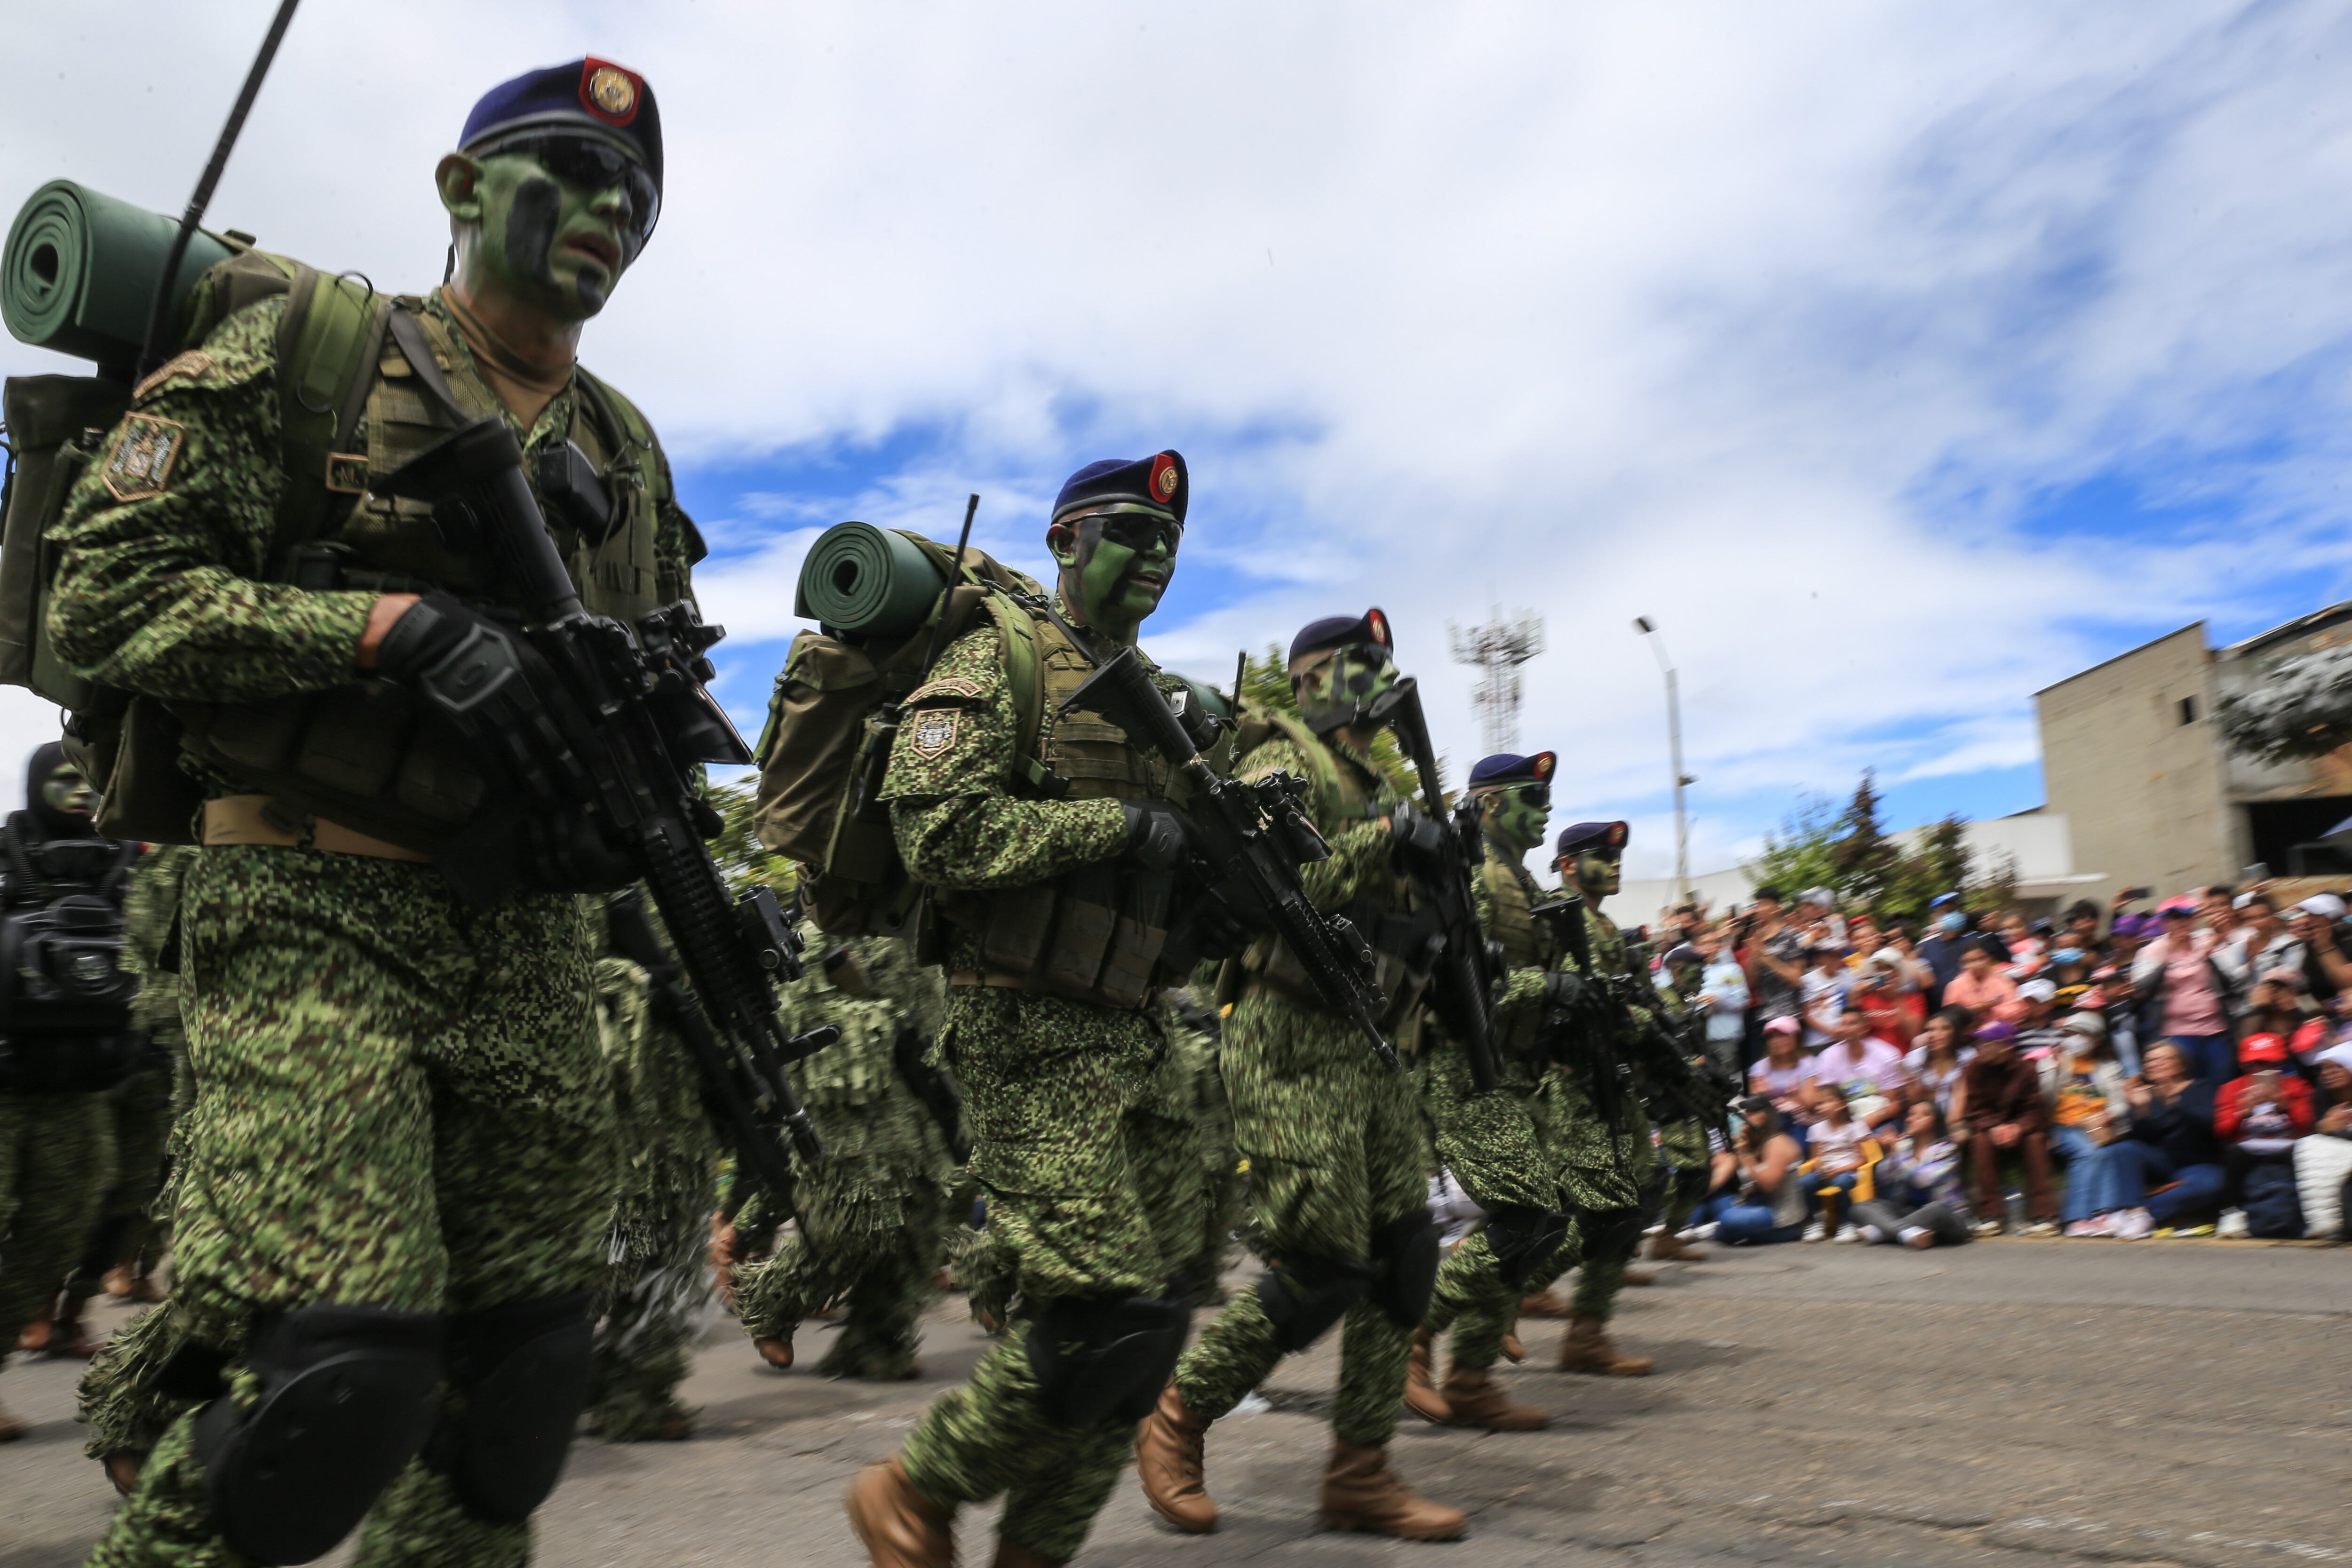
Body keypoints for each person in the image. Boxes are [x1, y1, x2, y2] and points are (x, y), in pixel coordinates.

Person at [51, 56, 694, 1562]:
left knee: (512, 1399)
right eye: (573, 175)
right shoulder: (314, 354)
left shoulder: (626, 447)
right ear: (463, 188)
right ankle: (176, 1384)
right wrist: (380, 633)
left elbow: (647, 678)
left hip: (529, 947)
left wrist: (640, 805)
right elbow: (109, 597)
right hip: (307, 917)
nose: (612, 210)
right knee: (338, 1383)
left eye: (637, 197)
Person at [851, 452, 1233, 1567]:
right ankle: (916, 1488)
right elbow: (943, 835)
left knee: (1140, 1342)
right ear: (1068, 541)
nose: (1155, 554)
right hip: (1025, 1028)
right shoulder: (1000, 659)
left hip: (1137, 1035)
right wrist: (1116, 829)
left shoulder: (1162, 701)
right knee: (1104, 1314)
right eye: (1131, 533)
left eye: (1170, 540)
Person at [1138, 609, 1466, 1545]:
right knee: (1324, 1266)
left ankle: (1361, 1470)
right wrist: (1384, 842)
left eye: (1383, 664)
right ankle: (1178, 1413)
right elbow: (1267, 888)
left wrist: (1445, 872)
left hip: (1373, 1045)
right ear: (1312, 677)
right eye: (1357, 663)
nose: (1375, 678)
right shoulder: (1278, 757)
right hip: (1286, 1036)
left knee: (1404, 1260)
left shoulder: (1377, 780)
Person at [1409, 750, 1579, 1433]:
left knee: (1534, 1220)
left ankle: (1472, 1377)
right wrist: (1551, 987)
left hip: (1509, 1065)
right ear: (1489, 805)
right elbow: (1461, 977)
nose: (1545, 813)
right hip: (1459, 1061)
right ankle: (1416, 1334)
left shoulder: (1521, 879)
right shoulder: (1476, 875)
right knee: (1531, 1213)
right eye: (1530, 800)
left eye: (1546, 802)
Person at [732, 928, 957, 1388]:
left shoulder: (929, 928)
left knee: (917, 1229)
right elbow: (795, 1008)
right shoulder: (826, 926)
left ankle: (876, 1342)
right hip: (856, 1102)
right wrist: (879, 1023)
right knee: (849, 1223)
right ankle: (770, 1303)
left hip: (924, 1096)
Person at [0, 745, 136, 1440]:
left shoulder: (130, 862)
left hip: (83, 1084)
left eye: (91, 781)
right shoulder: (5, 855)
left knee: (65, 1225)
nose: (80, 794)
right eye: (66, 781)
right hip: (7, 1076)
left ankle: (31, 1325)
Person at [2074, 1043, 2224, 1240]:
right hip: (2162, 1162)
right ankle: (2135, 1213)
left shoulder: (2202, 1088)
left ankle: (2135, 1213)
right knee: (2124, 1149)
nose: (2154, 1064)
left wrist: (2174, 1102)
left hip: (2199, 1164)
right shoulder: (2146, 1095)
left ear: (2181, 1066)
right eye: (2150, 1060)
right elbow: (2140, 1141)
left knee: (2212, 1184)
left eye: (2163, 1059)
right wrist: (2141, 1111)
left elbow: (2210, 1125)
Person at [1959, 1020, 2057, 1234]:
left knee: (2036, 1140)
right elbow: (1975, 1109)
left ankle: (2045, 1214)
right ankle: (1990, 1214)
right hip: (1990, 1127)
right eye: (1979, 1044)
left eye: (1986, 1043)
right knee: (1980, 1141)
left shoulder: (2026, 1069)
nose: (1980, 1048)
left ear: (2005, 1046)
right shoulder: (1973, 1069)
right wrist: (1994, 1127)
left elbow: (2035, 1110)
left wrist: (2017, 1128)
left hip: (2022, 1128)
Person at [2213, 1034, 2314, 1238]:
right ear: (2244, 1066)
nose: (2262, 1069)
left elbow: (2307, 1126)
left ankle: (2310, 1218)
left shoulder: (2296, 1086)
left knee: (2309, 1153)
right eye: (2256, 1064)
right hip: (2248, 1148)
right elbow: (2221, 1132)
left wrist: (2284, 1106)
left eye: (2270, 1063)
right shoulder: (2231, 1089)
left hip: (2289, 1146)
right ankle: (2231, 1213)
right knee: (2234, 1153)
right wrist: (2242, 1113)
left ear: (2281, 1063)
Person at [2041, 1012, 2130, 1234]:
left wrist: (2108, 1115)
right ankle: (2076, 1219)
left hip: (2099, 1127)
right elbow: (2043, 1099)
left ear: (2096, 1039)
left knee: (2106, 1152)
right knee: (2089, 1153)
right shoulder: (2053, 1061)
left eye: (2080, 1034)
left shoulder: (2109, 1067)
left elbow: (2121, 1103)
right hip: (2063, 1127)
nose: (2074, 1039)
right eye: (2070, 1034)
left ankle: (2102, 1215)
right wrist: (2055, 1069)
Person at [2133, 898, 2235, 1083]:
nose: (2181, 923)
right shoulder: (2152, 950)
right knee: (2186, 1084)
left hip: (2216, 1028)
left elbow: (2231, 980)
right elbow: (2142, 990)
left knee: (2222, 1081)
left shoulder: (2206, 940)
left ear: (2193, 920)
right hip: (2177, 1031)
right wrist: (2167, 956)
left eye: (2186, 917)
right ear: (2164, 922)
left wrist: (2209, 953)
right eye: (2174, 918)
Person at [1849, 1102, 1972, 1248]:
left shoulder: (1947, 1150)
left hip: (1949, 1217)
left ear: (1933, 1121)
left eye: (1918, 1115)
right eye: (1910, 1115)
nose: (1909, 1119)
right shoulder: (1904, 1147)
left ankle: (1884, 1233)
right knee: (1861, 1207)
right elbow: (1885, 1177)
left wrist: (1899, 1156)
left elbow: (1922, 1180)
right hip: (1910, 1213)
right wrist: (1892, 1153)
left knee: (1936, 1210)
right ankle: (1905, 1233)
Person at [1704, 1098, 1809, 1245]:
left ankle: (1720, 1231)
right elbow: (1749, 1185)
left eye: (1753, 1113)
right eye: (1746, 1113)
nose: (1746, 1118)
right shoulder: (1754, 1144)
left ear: (1766, 1116)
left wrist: (1746, 1155)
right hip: (1755, 1207)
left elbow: (1768, 1185)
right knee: (1720, 1203)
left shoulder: (1779, 1142)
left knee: (1728, 1219)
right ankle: (1718, 1231)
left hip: (1781, 1218)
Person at [1811, 1006, 1909, 1133]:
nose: (1847, 1028)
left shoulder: (1887, 1055)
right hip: (1844, 1121)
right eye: (1843, 1024)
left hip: (1881, 1119)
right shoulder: (1827, 1058)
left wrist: (1868, 1123)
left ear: (1865, 1028)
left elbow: (1894, 1104)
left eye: (1853, 1023)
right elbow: (1826, 1101)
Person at [1799, 1084, 1875, 1242]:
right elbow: (1816, 1157)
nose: (1823, 1106)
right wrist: (1821, 1168)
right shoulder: (1816, 1129)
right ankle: (1816, 1222)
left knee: (1842, 1181)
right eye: (1820, 1104)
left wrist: (1840, 1170)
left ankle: (1847, 1224)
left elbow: (1862, 1159)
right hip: (1827, 1171)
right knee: (1806, 1182)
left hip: (1849, 1171)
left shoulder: (1855, 1127)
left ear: (1841, 1104)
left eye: (1828, 1101)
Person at [2290, 1053, 2352, 1239]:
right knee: (2306, 1148)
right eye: (2324, 1069)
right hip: (2334, 1156)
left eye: (2336, 1067)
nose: (2328, 1073)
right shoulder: (2320, 1095)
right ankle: (2324, 1224)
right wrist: (2325, 1126)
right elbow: (2316, 1131)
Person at [1742, 887, 1808, 1031]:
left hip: (1789, 1013)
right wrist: (1754, 955)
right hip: (1765, 1016)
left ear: (1776, 908)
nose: (1757, 910)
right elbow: (1751, 983)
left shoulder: (1789, 937)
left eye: (1762, 905)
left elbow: (1797, 979)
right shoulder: (1757, 939)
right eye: (1756, 905)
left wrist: (1765, 957)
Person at [1749, 1016, 1816, 1146]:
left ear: (1796, 1037)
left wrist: (1786, 1099)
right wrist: (1763, 1097)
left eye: (1782, 1035)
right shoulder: (1759, 1068)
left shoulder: (1809, 1064)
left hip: (1802, 1121)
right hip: (1771, 1122)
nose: (1776, 1041)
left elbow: (1811, 1103)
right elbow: (1755, 1109)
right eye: (1771, 1037)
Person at [1904, 1006, 1975, 1124]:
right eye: (1930, 1030)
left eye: (1944, 1029)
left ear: (1955, 1032)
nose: (1933, 1035)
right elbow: (1916, 1101)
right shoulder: (1915, 1058)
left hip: (1961, 1116)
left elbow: (1961, 1098)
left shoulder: (1969, 1057)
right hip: (1926, 1120)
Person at [1696, 931, 1752, 1076]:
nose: (1709, 947)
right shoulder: (1697, 972)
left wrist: (1719, 1001)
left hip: (1726, 1037)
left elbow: (1743, 1001)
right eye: (1704, 943)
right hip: (1700, 1040)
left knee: (1730, 1080)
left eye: (1713, 943)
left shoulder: (1732, 970)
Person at [1943, 939, 2024, 1026]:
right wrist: (1973, 1011)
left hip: (2001, 1030)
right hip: (1969, 1035)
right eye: (1972, 961)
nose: (1978, 964)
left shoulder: (2003, 980)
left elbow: (2017, 1008)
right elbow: (1950, 1017)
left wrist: (1993, 1011)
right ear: (1964, 964)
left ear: (1990, 959)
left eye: (1982, 958)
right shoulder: (1955, 985)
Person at [1799, 942, 1850, 1048]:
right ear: (1820, 959)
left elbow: (1852, 1005)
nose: (1836, 960)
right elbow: (1806, 1014)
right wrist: (1831, 1032)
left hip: (1845, 1037)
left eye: (1838, 956)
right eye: (1831, 956)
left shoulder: (1849, 977)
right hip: (1818, 1041)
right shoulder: (1807, 980)